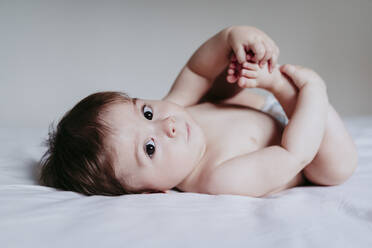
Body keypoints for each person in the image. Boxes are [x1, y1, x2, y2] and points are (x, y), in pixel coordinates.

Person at [39, 26, 358, 197]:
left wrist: (232, 37)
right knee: (335, 168)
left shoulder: (177, 107)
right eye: (150, 149)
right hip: (306, 151)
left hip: (268, 111)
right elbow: (294, 153)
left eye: (146, 112)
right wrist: (301, 93)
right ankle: (301, 90)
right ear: (153, 190)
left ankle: (274, 84)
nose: (168, 126)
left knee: (226, 88)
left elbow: (199, 70)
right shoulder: (217, 177)